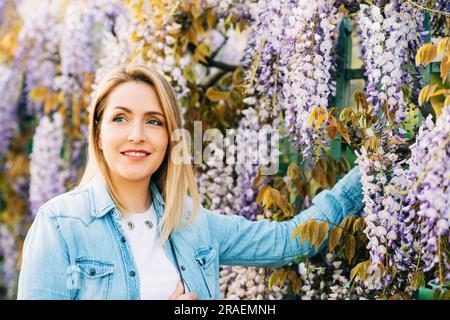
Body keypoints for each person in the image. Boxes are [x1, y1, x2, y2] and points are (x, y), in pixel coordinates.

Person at [17, 64, 363, 300]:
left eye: (154, 122)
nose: (137, 135)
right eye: (120, 118)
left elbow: (290, 242)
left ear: (170, 137)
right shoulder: (61, 225)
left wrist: (370, 173)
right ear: (98, 131)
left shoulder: (192, 223)